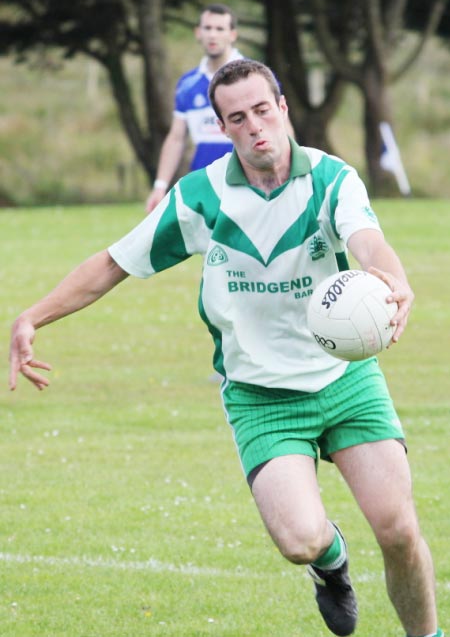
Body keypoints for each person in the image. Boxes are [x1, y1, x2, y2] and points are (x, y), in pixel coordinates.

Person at [9, 59, 443, 637]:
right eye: (237, 118)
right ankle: (330, 560)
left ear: (283, 108)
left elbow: (368, 242)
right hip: (261, 396)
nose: (255, 126)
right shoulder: (201, 198)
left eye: (264, 110)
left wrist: (394, 279)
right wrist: (33, 315)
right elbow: (114, 262)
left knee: (397, 528)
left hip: (345, 380)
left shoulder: (331, 179)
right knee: (300, 540)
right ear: (221, 126)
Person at [145, 3, 243, 214]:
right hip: (204, 181)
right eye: (207, 28)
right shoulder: (188, 84)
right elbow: (176, 138)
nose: (212, 35)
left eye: (219, 29)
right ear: (198, 33)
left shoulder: (253, 76)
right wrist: (160, 186)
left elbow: (280, 125)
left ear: (232, 34)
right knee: (207, 245)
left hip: (248, 177)